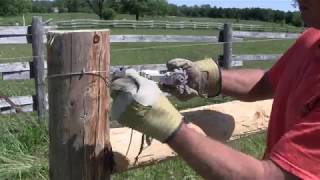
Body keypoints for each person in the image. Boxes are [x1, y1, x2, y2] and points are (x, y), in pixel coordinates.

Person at [111, 0, 320, 179]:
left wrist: (164, 122)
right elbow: (268, 82)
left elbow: (269, 176)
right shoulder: (311, 40)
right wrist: (206, 78)